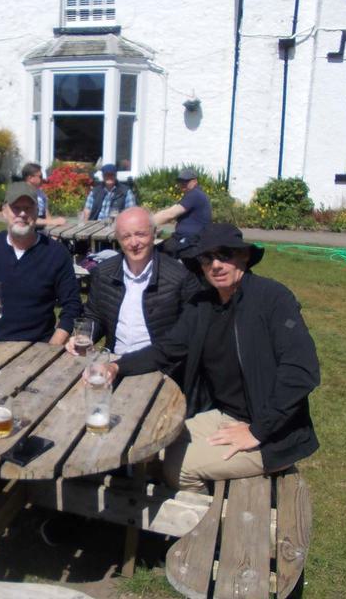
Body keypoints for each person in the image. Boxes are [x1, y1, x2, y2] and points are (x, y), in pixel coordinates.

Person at [104, 223, 320, 494]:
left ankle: (209, 518)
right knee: (152, 445)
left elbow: (301, 371)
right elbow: (167, 349)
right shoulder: (203, 304)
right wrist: (117, 365)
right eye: (207, 258)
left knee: (178, 469)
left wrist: (257, 431)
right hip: (224, 415)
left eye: (224, 255)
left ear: (244, 256)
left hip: (274, 432)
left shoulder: (273, 298)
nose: (216, 265)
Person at [0, 182, 81, 343]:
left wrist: (53, 347)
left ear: (37, 212)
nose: (22, 213)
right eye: (16, 208)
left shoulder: (56, 253)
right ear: (4, 211)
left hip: (39, 344)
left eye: (28, 208)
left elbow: (72, 305)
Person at [66, 207, 200, 356]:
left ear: (154, 233)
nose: (134, 242)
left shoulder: (180, 277)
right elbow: (94, 316)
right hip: (114, 359)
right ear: (118, 238)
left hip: (160, 362)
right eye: (126, 236)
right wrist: (85, 336)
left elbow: (191, 331)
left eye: (140, 234)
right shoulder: (103, 273)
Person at [153, 168, 212, 258]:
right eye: (180, 181)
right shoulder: (195, 194)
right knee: (157, 252)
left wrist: (146, 223)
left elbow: (170, 214)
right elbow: (171, 211)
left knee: (154, 254)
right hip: (187, 239)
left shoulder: (195, 194)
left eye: (186, 181)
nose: (182, 184)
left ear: (195, 181)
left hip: (190, 241)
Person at [21, 162, 66, 227]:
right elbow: (28, 219)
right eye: (40, 176)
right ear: (30, 178)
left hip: (40, 227)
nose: (43, 179)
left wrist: (53, 225)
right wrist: (52, 222)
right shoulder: (22, 194)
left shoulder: (41, 193)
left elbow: (47, 214)